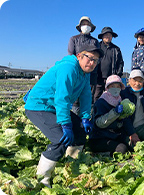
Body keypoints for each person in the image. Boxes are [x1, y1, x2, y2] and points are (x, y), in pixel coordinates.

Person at [24, 44, 103, 188]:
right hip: (38, 106)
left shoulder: (85, 73)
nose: (92, 63)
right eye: (89, 58)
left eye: (95, 60)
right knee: (61, 139)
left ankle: (71, 168)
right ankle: (42, 179)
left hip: (54, 107)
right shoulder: (69, 68)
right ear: (79, 56)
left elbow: (86, 96)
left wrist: (85, 118)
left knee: (79, 132)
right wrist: (65, 124)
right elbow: (62, 98)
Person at [89, 75, 137, 155]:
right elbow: (100, 123)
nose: (115, 88)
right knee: (122, 149)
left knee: (133, 146)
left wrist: (132, 133)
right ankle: (98, 154)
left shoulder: (119, 100)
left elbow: (125, 120)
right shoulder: (101, 102)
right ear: (107, 87)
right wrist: (114, 113)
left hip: (114, 135)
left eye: (118, 86)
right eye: (112, 86)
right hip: (99, 138)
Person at [68, 16, 100, 112]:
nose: (86, 26)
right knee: (76, 96)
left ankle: (87, 118)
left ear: (91, 26)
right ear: (80, 26)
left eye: (88, 24)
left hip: (91, 73)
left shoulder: (95, 41)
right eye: (83, 24)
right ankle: (75, 118)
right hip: (78, 72)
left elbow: (97, 57)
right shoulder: (74, 39)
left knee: (89, 96)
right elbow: (71, 55)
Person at [93, 27, 124, 103]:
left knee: (113, 97)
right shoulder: (97, 47)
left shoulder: (116, 49)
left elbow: (120, 63)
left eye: (110, 35)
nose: (108, 37)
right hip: (98, 78)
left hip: (111, 79)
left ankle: (112, 113)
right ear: (102, 36)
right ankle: (96, 113)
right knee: (96, 97)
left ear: (112, 37)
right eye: (106, 35)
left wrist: (118, 75)